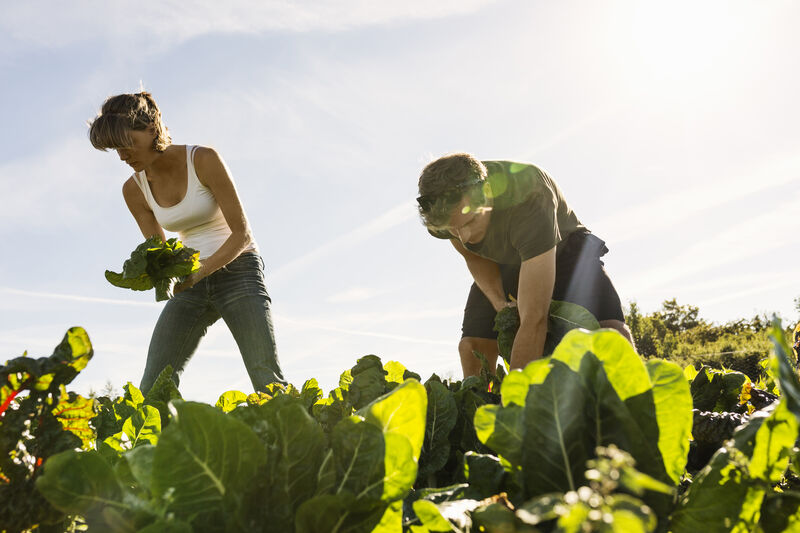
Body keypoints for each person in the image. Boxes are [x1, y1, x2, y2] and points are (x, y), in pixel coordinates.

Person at [88, 91, 286, 393]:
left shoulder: (204, 160)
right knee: (154, 385)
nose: (122, 156)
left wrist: (201, 270)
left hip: (239, 269)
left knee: (266, 376)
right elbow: (160, 251)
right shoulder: (134, 190)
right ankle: (157, 440)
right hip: (189, 281)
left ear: (151, 129)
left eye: (126, 144)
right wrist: (153, 272)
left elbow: (242, 234)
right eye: (115, 149)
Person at [416, 153, 633, 377]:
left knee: (610, 333)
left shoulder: (529, 197)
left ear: (487, 193)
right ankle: (483, 406)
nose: (464, 237)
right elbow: (472, 256)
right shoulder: (439, 211)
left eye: (470, 221)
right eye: (454, 229)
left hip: (565, 248)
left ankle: (628, 403)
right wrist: (500, 303)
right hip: (502, 259)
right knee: (472, 346)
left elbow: (534, 319)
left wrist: (516, 404)